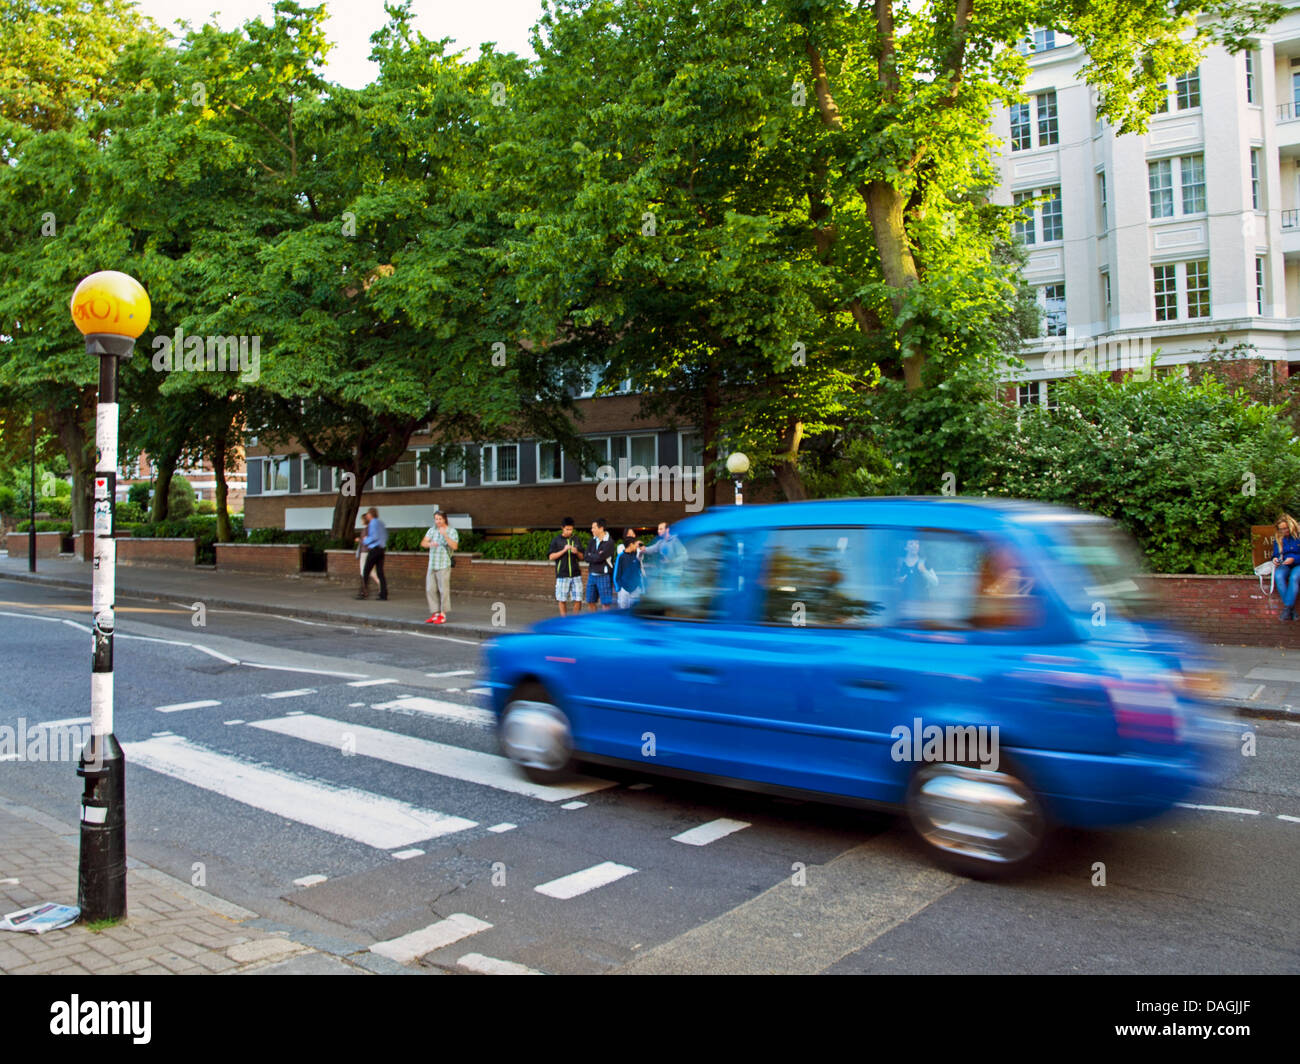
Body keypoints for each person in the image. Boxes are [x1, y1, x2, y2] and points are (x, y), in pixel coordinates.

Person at [421, 510, 458, 624]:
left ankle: (443, 614)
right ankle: (435, 613)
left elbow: (455, 546)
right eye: (436, 519)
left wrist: (445, 535)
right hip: (432, 564)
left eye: (440, 519)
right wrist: (429, 544)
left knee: (443, 590)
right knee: (430, 589)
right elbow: (423, 543)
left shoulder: (451, 531)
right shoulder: (432, 530)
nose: (438, 521)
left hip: (444, 564)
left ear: (444, 519)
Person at [547, 517, 584, 616]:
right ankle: (564, 620)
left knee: (578, 598)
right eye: (567, 529)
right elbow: (551, 556)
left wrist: (576, 552)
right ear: (562, 528)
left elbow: (582, 557)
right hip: (562, 574)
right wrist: (563, 550)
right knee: (562, 599)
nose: (569, 531)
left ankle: (574, 620)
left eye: (571, 529)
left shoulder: (576, 539)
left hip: (576, 574)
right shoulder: (556, 540)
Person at [639, 520, 685, 589]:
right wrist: (643, 549)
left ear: (667, 530)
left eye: (661, 529)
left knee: (670, 593)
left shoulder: (675, 540)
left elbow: (684, 556)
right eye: (658, 529)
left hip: (675, 574)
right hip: (665, 573)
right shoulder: (661, 542)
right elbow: (651, 549)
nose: (658, 531)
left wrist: (672, 561)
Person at [583, 518, 616, 610]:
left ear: (601, 528)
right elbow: (586, 557)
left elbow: (600, 558)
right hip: (592, 575)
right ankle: (595, 622)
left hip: (604, 575)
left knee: (605, 603)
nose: (591, 530)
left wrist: (592, 556)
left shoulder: (609, 542)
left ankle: (605, 623)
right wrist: (595, 556)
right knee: (590, 600)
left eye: (594, 527)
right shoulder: (592, 541)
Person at [1273, 513, 1300, 620]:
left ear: (1291, 525)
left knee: (1294, 578)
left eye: (1286, 528)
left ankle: (1287, 608)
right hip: (1285, 564)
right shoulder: (1279, 537)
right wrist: (1274, 559)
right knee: (1278, 576)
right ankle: (1291, 610)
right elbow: (1275, 554)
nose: (1284, 531)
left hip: (1298, 564)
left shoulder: (1298, 535)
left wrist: (1294, 559)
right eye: (1281, 529)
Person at [357, 507, 387, 600]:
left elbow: (374, 536)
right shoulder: (381, 523)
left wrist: (366, 540)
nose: (367, 516)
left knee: (366, 571)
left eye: (368, 514)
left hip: (374, 549)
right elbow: (385, 535)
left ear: (370, 515)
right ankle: (383, 594)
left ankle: (363, 593)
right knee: (380, 572)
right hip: (381, 549)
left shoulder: (373, 523)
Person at [613, 527, 644, 609]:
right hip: (624, 589)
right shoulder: (621, 556)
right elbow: (616, 573)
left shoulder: (636, 557)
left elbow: (638, 572)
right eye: (634, 544)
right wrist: (619, 587)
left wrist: (640, 586)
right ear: (630, 545)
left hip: (635, 589)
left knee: (634, 611)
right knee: (623, 611)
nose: (636, 546)